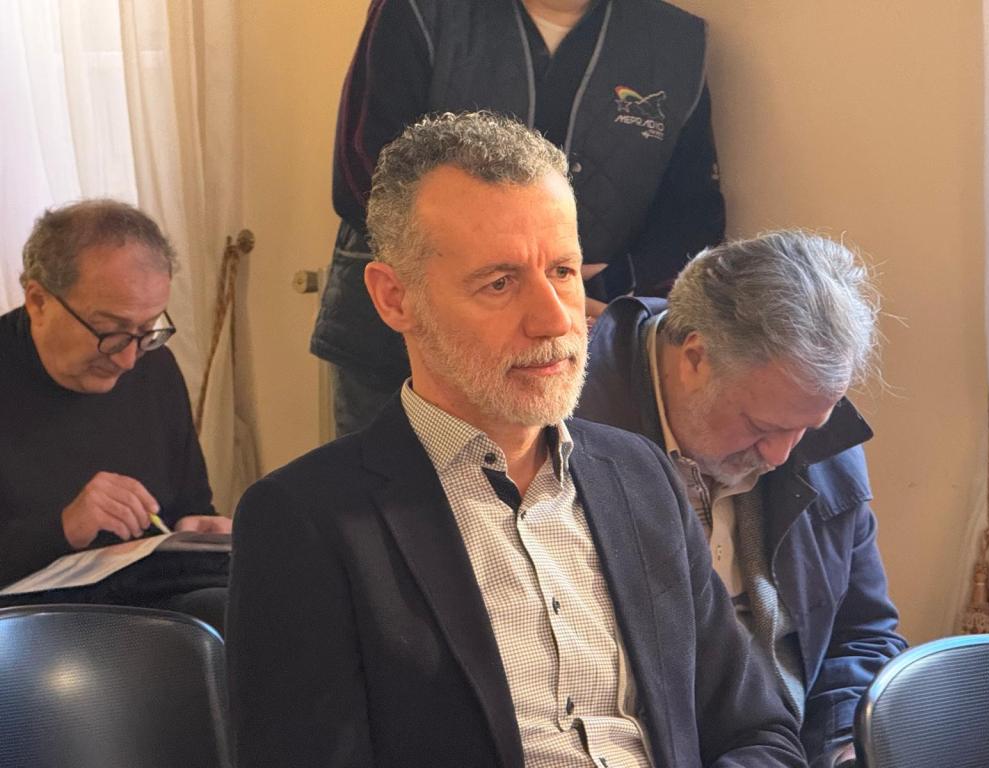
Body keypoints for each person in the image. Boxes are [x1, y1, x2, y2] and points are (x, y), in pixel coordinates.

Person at [228, 112, 805, 767]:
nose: (555, 319)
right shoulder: (307, 520)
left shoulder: (640, 475)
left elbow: (760, 734)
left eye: (563, 271)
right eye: (500, 283)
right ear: (395, 299)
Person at [311, 0, 726, 436]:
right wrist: (498, 278)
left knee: (555, 494)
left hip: (578, 345)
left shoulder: (676, 41)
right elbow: (366, 172)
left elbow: (692, 214)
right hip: (401, 346)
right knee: (389, 492)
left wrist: (591, 290)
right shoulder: (417, 11)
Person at [576, 231, 909, 768]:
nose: (780, 456)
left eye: (806, 427)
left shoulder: (812, 433)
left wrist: (842, 750)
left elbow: (861, 634)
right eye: (760, 426)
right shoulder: (569, 441)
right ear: (695, 357)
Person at [0, 199, 231, 627]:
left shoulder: (153, 366)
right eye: (109, 331)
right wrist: (66, 527)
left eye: (147, 331)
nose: (128, 360)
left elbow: (189, 501)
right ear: (38, 301)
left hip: (145, 606)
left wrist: (197, 531)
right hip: (26, 630)